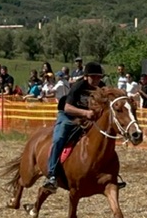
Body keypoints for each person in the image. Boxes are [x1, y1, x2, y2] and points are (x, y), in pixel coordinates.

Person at [44, 61, 105, 192]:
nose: (96, 80)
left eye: (99, 77)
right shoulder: (78, 86)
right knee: (59, 138)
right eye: (93, 76)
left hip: (87, 119)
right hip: (68, 116)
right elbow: (67, 107)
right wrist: (85, 112)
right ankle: (52, 175)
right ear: (85, 76)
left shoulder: (102, 87)